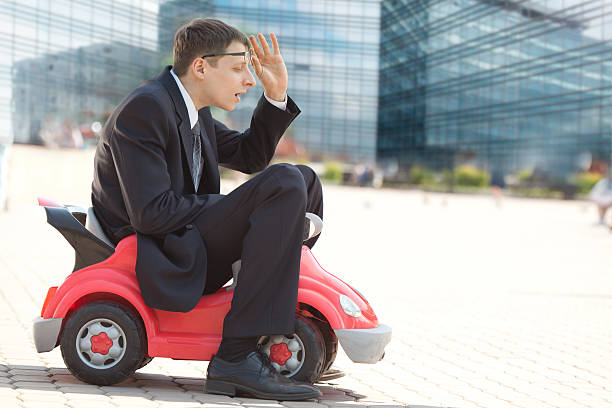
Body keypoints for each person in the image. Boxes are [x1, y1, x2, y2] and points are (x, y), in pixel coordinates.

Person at [91, 18, 323, 400]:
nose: (248, 80)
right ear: (201, 66)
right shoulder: (147, 108)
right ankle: (237, 355)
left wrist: (276, 94)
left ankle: (274, 298)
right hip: (161, 253)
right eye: (237, 68)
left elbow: (251, 156)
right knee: (283, 183)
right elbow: (151, 213)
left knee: (302, 178)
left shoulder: (189, 109)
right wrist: (237, 209)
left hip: (184, 238)